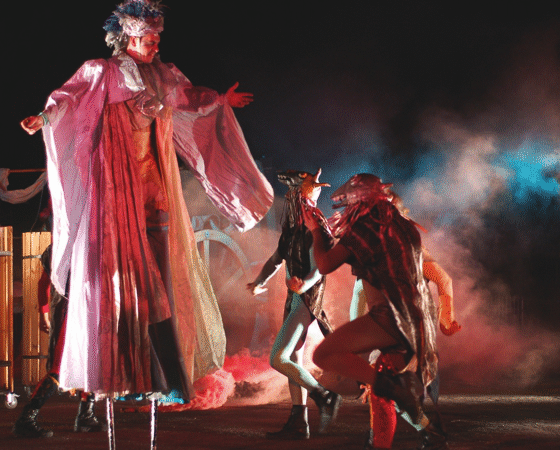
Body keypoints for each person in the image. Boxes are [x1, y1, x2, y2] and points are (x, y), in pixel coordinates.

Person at [20, 0, 272, 413]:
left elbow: (187, 97)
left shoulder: (162, 74)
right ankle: (117, 372)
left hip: (154, 182)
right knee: (124, 282)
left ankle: (164, 376)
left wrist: (219, 98)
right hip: (117, 186)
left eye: (158, 38)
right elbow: (68, 98)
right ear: (129, 38)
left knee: (163, 279)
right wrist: (43, 118)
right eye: (149, 38)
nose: (156, 44)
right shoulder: (102, 71)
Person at [302, 173, 447, 447]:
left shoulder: (366, 226)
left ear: (359, 201)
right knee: (382, 386)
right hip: (416, 322)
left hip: (389, 318)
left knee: (324, 355)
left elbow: (325, 265)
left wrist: (315, 231)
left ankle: (397, 392)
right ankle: (430, 433)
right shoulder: (403, 227)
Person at [247, 169, 341, 439]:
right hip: (295, 298)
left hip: (306, 300)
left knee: (279, 358)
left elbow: (320, 267)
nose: (289, 197)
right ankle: (299, 422)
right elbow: (276, 259)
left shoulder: (315, 224)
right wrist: (259, 281)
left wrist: (304, 285)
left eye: (294, 192)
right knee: (294, 362)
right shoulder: (291, 228)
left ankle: (324, 396)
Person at [13, 245, 105, 437]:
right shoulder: (65, 245)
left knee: (92, 364)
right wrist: (44, 312)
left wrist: (44, 312)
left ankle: (86, 415)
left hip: (88, 309)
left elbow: (44, 283)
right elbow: (44, 282)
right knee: (60, 366)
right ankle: (26, 419)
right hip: (71, 310)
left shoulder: (90, 240)